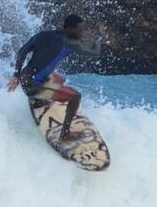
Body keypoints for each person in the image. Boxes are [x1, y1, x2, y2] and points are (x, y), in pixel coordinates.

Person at [9, 14, 104, 143]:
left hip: (25, 78)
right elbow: (95, 54)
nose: (82, 33)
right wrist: (99, 36)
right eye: (79, 30)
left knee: (60, 79)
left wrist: (16, 75)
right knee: (76, 97)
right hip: (34, 88)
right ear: (69, 28)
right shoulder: (71, 43)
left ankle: (41, 99)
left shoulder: (43, 35)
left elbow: (22, 52)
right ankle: (64, 135)